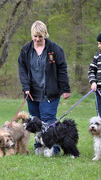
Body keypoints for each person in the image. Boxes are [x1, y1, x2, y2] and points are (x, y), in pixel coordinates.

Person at [18, 20, 71, 155]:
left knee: (48, 121)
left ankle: (54, 149)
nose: (37, 39)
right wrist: (25, 87)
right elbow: (22, 70)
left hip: (50, 92)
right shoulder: (26, 50)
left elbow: (62, 69)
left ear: (45, 35)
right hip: (32, 93)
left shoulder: (55, 49)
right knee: (35, 122)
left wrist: (65, 89)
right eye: (35, 36)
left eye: (40, 36)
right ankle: (39, 148)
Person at [88, 32, 101, 117]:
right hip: (99, 91)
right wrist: (93, 82)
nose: (98, 46)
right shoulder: (97, 56)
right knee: (100, 116)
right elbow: (91, 70)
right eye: (98, 44)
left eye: (100, 43)